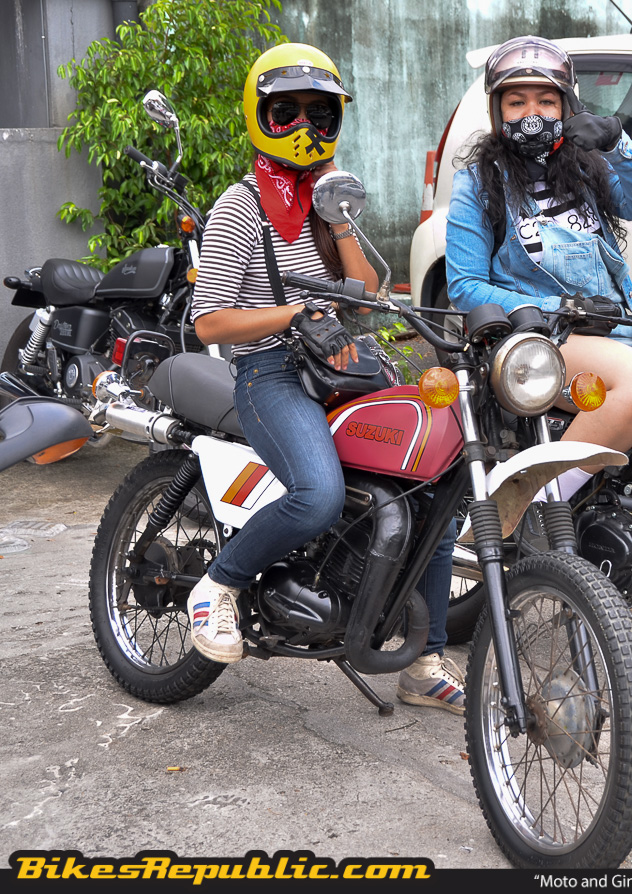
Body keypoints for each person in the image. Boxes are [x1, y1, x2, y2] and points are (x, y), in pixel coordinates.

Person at [188, 43, 464, 713]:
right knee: (317, 496)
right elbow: (210, 322)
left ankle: (422, 661)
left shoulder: (327, 200)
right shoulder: (241, 207)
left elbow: (365, 296)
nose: (306, 127)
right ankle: (218, 585)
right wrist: (291, 313)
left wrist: (337, 216)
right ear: (260, 116)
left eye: (321, 114)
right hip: (270, 371)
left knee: (433, 490)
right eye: (287, 113)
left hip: (340, 362)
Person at [444, 35, 632, 656]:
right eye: (517, 101)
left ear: (567, 105)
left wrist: (617, 142)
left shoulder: (586, 166)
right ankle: (537, 504)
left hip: (616, 332)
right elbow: (463, 283)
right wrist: (543, 309)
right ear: (497, 110)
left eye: (546, 100)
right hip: (536, 342)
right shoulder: (478, 183)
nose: (532, 114)